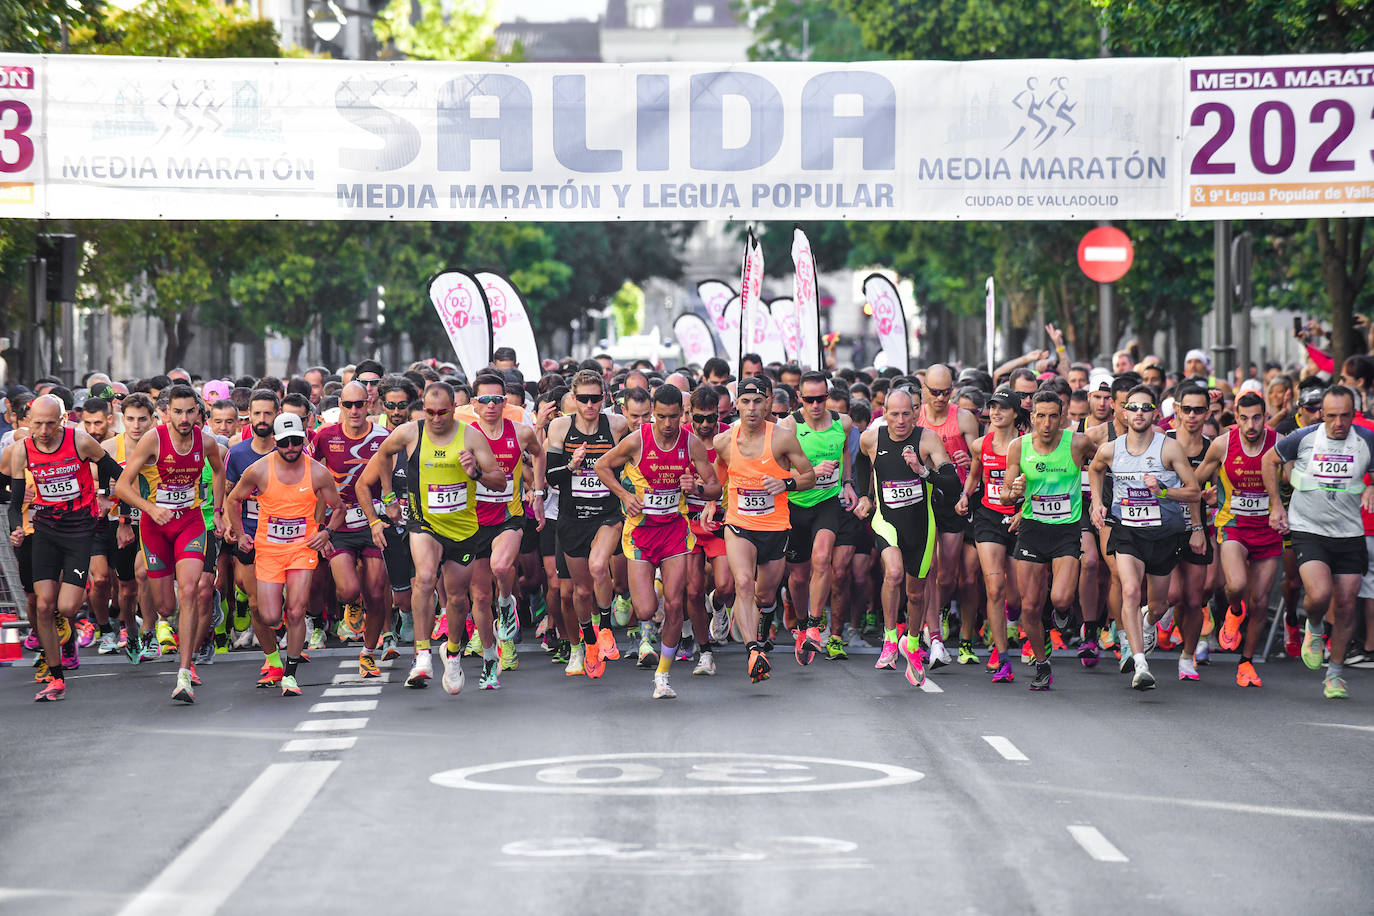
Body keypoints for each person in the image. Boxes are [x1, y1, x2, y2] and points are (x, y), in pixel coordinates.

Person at [357, 381, 507, 692]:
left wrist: (476, 473)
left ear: (454, 408)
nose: (436, 418)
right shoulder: (411, 432)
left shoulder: (470, 436)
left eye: (442, 412)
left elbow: (500, 481)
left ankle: (452, 654)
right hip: (423, 523)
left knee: (456, 597)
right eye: (430, 412)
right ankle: (422, 654)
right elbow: (384, 456)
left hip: (463, 529)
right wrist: (388, 498)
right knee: (424, 579)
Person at [594, 384, 721, 698]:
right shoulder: (637, 440)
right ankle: (652, 601)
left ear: (683, 414)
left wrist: (697, 489)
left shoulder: (691, 444)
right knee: (647, 609)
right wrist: (624, 495)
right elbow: (601, 466)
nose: (667, 424)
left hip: (675, 532)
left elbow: (716, 488)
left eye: (674, 417)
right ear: (653, 412)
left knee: (676, 604)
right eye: (661, 416)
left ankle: (663, 677)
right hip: (640, 533)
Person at [114, 385, 227, 704]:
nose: (184, 418)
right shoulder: (153, 439)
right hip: (155, 527)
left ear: (198, 412)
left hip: (190, 522)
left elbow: (219, 472)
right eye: (177, 411)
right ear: (166, 413)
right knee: (167, 606)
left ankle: (184, 672)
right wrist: (149, 509)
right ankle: (169, 624)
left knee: (191, 589)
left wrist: (217, 511)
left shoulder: (206, 442)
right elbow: (123, 486)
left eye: (190, 411)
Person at [10, 395, 126, 701]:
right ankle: (56, 677)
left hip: (79, 530)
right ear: (28, 421)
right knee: (44, 605)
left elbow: (117, 473)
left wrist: (109, 500)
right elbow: (14, 501)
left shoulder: (81, 441)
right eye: (37, 423)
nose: (44, 430)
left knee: (66, 608)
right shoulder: (22, 450)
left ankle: (80, 590)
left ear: (63, 420)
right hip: (46, 529)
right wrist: (16, 529)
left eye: (51, 423)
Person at [1264, 386, 1374, 699]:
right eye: (1332, 415)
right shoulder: (1303, 437)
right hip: (1308, 529)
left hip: (1350, 533)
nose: (1339, 422)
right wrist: (1276, 505)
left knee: (1346, 606)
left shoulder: (1366, 440)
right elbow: (1269, 462)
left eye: (1345, 416)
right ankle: (1313, 623)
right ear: (1321, 413)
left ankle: (1335, 675)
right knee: (1321, 594)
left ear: (1354, 414)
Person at [1089, 386, 1202, 691]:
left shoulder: (1169, 449)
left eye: (1145, 408)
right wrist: (1096, 502)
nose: (1139, 414)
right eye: (1133, 408)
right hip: (1127, 530)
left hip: (1164, 534)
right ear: (1123, 412)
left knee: (1159, 604)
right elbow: (1095, 468)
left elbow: (1194, 491)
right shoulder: (1112, 449)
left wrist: (1163, 491)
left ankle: (1148, 622)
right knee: (1128, 590)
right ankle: (1140, 663)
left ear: (1154, 413)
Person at [225, 413, 341, 697]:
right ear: (275, 441)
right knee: (269, 614)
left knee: (297, 610)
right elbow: (233, 499)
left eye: (297, 442)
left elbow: (338, 508)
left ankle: (290, 673)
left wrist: (325, 532)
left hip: (302, 549)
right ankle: (274, 658)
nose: (291, 447)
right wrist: (240, 535)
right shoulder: (259, 470)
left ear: (304, 440)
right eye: (285, 442)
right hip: (269, 550)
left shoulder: (317, 472)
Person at [709, 376, 816, 683]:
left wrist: (786, 483)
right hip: (739, 525)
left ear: (768, 404)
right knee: (742, 582)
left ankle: (757, 619)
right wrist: (708, 501)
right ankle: (754, 650)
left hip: (775, 527)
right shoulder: (724, 442)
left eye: (758, 402)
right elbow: (718, 480)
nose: (752, 408)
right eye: (745, 402)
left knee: (764, 595)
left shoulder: (782, 438)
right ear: (735, 405)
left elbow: (808, 475)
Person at [853, 384, 957, 688]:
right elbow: (860, 461)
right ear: (884, 414)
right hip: (886, 520)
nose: (900, 420)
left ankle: (911, 644)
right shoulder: (872, 437)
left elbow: (951, 483)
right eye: (894, 414)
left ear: (916, 412)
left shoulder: (927, 440)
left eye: (906, 413)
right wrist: (863, 495)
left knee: (915, 591)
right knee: (894, 573)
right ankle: (888, 638)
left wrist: (922, 472)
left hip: (922, 526)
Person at [1005, 391, 1097, 690]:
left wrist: (1097, 498)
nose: (1046, 423)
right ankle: (1043, 664)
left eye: (1053, 416)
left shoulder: (1078, 443)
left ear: (1063, 417)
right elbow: (1007, 493)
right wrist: (1015, 491)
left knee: (1060, 598)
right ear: (1031, 417)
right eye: (1040, 416)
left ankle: (1061, 613)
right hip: (1033, 528)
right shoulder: (1018, 447)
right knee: (1030, 607)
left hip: (1066, 529)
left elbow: (1103, 462)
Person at [543, 370, 629, 679]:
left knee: (597, 566)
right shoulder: (560, 427)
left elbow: (634, 462)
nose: (590, 405)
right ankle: (586, 642)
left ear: (604, 398)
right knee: (579, 593)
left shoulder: (617, 425)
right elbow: (551, 478)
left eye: (596, 399)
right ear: (573, 400)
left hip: (606, 515)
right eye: (584, 399)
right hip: (570, 517)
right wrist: (572, 465)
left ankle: (605, 627)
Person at [1196, 391, 1281, 686]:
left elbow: (1293, 479)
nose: (1251, 425)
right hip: (1233, 525)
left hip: (1268, 531)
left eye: (1257, 417)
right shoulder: (1223, 444)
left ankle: (1246, 663)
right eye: (1244, 418)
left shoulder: (1279, 443)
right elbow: (1196, 477)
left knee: (1259, 602)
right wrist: (1202, 492)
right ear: (1236, 417)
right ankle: (1233, 611)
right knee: (1237, 585)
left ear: (1265, 416)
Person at [467, 371, 546, 672]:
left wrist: (537, 492)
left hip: (508, 515)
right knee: (480, 594)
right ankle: (494, 648)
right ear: (474, 403)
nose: (491, 405)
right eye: (484, 399)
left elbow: (538, 455)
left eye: (497, 399)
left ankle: (506, 606)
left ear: (504, 402)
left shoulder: (520, 432)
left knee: (501, 568)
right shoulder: (464, 434)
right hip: (473, 520)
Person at [778, 371, 856, 666]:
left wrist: (847, 482)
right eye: (809, 399)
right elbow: (780, 472)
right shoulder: (787, 427)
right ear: (800, 398)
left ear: (827, 396)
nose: (815, 405)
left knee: (823, 559)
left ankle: (813, 624)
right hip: (795, 505)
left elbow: (846, 454)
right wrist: (810, 471)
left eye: (820, 399)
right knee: (798, 578)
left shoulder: (843, 423)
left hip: (826, 503)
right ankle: (800, 625)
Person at [314, 381, 392, 678]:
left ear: (369, 405)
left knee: (376, 592)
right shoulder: (325, 437)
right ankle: (352, 603)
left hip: (374, 523)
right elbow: (318, 487)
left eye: (360, 404)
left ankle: (368, 653)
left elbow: (391, 482)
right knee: (348, 590)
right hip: (339, 524)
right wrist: (319, 527)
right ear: (341, 407)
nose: (355, 410)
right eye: (348, 405)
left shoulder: (384, 437)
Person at [958, 388, 1020, 681]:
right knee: (994, 589)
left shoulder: (1027, 447)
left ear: (1016, 414)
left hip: (1022, 520)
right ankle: (1002, 653)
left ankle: (1031, 631)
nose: (995, 413)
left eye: (1003, 408)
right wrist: (964, 495)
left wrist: (1023, 510)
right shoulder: (980, 445)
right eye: (993, 407)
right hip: (988, 518)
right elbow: (974, 475)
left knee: (1020, 597)